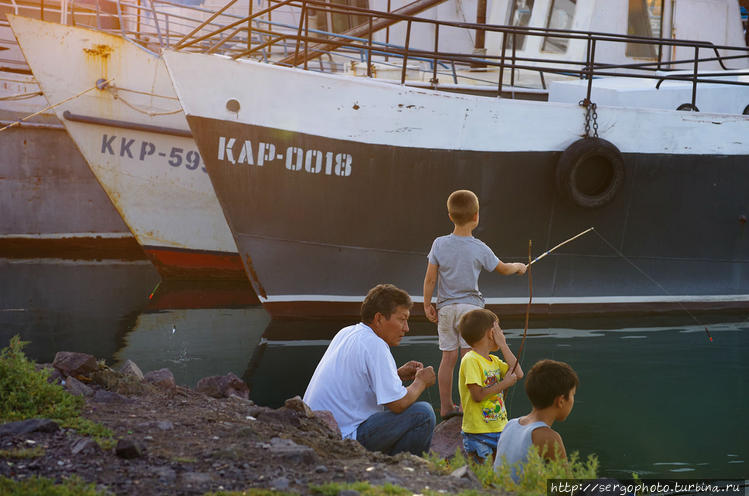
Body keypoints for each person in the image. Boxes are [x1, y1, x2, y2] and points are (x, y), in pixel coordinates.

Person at [423, 189, 527, 419]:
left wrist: (427, 304)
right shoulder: (480, 248)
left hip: (447, 309)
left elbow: (430, 278)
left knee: (447, 359)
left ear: (450, 216)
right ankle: (467, 404)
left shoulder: (439, 244)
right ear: (476, 217)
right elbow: (502, 268)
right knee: (470, 358)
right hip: (471, 311)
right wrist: (519, 267)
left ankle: (447, 407)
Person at [303, 284, 437, 456]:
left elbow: (355, 381)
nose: (406, 328)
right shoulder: (375, 344)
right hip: (344, 437)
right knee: (423, 414)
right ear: (379, 318)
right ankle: (402, 469)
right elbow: (398, 404)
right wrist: (421, 382)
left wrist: (395, 375)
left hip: (317, 430)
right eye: (402, 319)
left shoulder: (348, 332)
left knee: (409, 408)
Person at [494, 359, 579, 481]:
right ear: (561, 401)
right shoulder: (548, 437)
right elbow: (567, 488)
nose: (573, 400)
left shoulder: (510, 424)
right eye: (572, 394)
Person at [458, 308, 523, 461]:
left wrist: (504, 345)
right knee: (481, 476)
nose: (502, 333)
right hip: (478, 433)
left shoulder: (494, 361)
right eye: (499, 329)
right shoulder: (470, 360)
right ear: (490, 333)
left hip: (500, 429)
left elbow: (518, 373)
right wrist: (504, 384)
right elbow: (477, 395)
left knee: (500, 474)